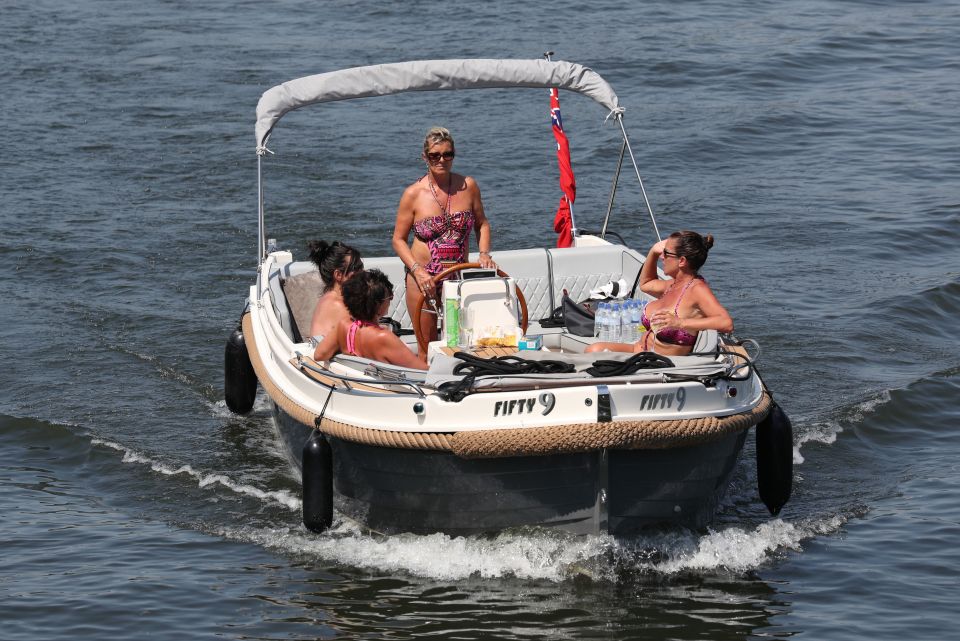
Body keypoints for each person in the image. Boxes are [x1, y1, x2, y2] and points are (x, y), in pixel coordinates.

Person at [392, 127, 495, 354]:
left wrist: (484, 253)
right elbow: (398, 240)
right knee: (426, 346)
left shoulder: (468, 187)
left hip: (458, 277)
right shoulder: (413, 194)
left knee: (461, 343)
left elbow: (482, 224)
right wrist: (417, 270)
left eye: (448, 154)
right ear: (424, 157)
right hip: (423, 280)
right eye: (434, 155)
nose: (442, 160)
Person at [586, 230, 733, 356]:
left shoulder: (697, 289)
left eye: (666, 253)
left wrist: (680, 323)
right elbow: (646, 284)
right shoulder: (672, 285)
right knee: (593, 349)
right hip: (638, 352)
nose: (662, 257)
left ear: (681, 261)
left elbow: (726, 323)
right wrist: (653, 252)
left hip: (660, 365)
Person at [313, 269, 428, 370]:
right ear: (378, 304)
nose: (390, 300)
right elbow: (422, 371)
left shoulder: (343, 326)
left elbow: (319, 355)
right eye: (389, 297)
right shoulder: (384, 337)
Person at [306, 240, 364, 342]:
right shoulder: (337, 305)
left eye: (361, 266)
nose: (363, 272)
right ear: (338, 275)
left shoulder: (331, 297)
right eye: (356, 268)